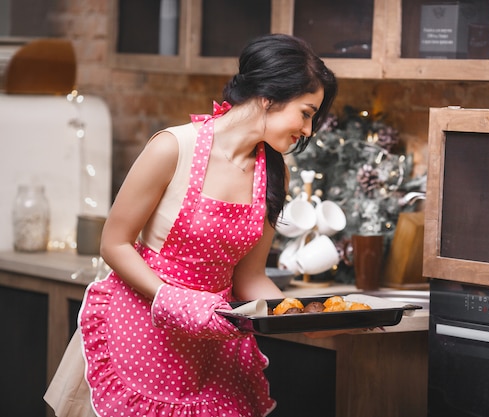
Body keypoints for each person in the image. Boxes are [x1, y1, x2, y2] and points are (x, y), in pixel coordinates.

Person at [44, 33, 337, 417]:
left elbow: (249, 277)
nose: (309, 130)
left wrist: (299, 315)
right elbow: (113, 244)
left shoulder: (274, 172)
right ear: (269, 96)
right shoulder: (173, 147)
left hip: (209, 353)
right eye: (306, 112)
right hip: (137, 333)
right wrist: (172, 299)